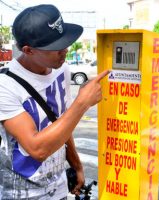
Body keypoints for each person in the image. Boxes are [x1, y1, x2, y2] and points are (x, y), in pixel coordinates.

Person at [0, 4, 109, 200]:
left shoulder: (61, 70)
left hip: (58, 187)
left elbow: (61, 122)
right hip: (23, 193)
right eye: (55, 47)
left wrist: (76, 165)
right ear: (28, 50)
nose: (65, 50)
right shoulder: (5, 85)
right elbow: (36, 149)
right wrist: (82, 103)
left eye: (65, 42)